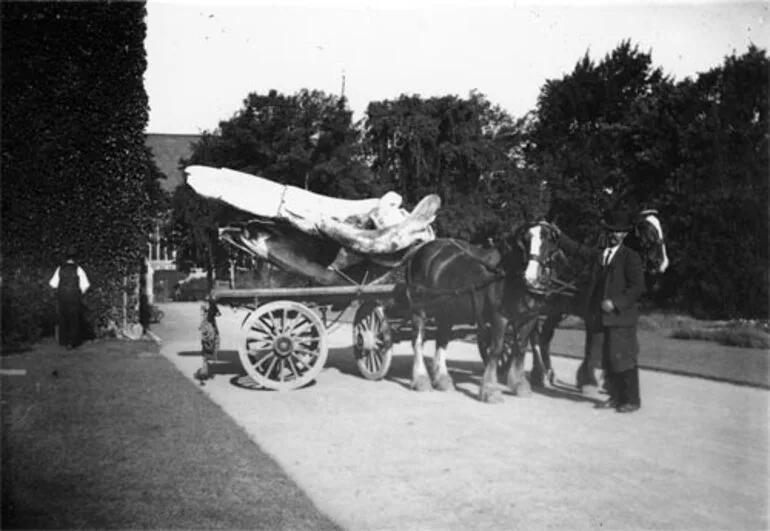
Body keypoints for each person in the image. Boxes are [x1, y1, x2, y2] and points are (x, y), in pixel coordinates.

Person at [555, 208, 646, 413]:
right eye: (612, 231)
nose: (616, 235)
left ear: (625, 234)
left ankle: (631, 400)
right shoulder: (601, 254)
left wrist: (616, 303)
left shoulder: (630, 257)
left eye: (620, 231)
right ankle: (615, 397)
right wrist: (559, 235)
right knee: (607, 359)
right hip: (600, 318)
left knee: (624, 358)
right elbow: (578, 249)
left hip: (620, 318)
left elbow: (637, 287)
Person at [49, 246, 90, 349]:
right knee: (74, 320)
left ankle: (63, 340)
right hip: (74, 297)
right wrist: (80, 293)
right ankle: (72, 342)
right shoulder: (78, 269)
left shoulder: (60, 269)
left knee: (63, 319)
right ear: (76, 258)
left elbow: (53, 284)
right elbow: (85, 285)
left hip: (62, 297)